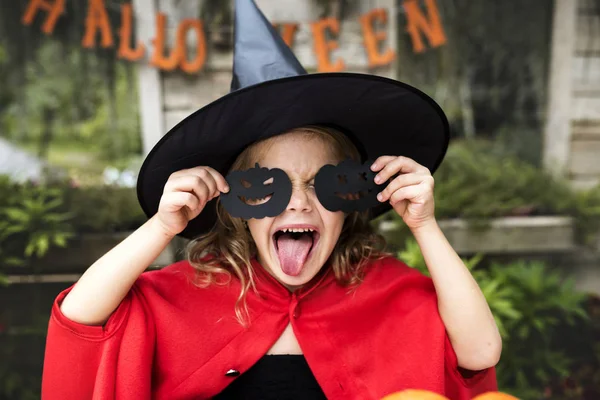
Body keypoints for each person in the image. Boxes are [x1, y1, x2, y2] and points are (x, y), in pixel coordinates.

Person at [41, 1, 501, 399]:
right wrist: (162, 227)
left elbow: (479, 352)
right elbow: (79, 318)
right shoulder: (186, 295)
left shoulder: (386, 293)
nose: (298, 204)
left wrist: (425, 226)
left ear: (352, 198)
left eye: (324, 183)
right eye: (268, 186)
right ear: (234, 204)